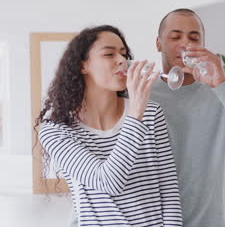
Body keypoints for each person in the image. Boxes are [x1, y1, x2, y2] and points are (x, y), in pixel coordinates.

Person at [36, 25, 182, 227]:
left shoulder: (151, 113)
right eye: (108, 54)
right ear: (82, 65)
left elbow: (168, 189)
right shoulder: (56, 130)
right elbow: (107, 182)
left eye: (123, 53)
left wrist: (137, 112)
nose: (122, 60)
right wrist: (136, 114)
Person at [151, 8, 225, 227]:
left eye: (194, 37)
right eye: (175, 36)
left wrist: (221, 84)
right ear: (159, 43)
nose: (185, 43)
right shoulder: (142, 92)